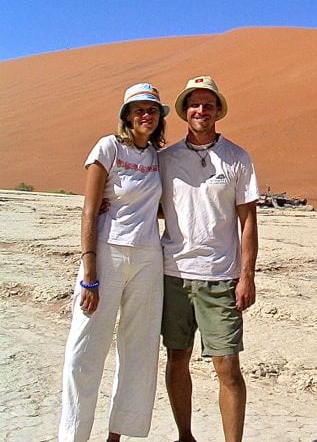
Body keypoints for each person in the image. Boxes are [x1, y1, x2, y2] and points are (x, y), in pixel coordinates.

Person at [58, 82, 169, 442]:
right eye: (139, 109)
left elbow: (166, 205)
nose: (146, 115)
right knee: (85, 348)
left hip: (148, 257)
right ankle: (74, 435)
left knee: (139, 349)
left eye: (152, 110)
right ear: (126, 114)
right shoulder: (107, 147)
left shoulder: (158, 157)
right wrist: (89, 272)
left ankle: (117, 435)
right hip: (106, 255)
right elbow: (89, 211)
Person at [159, 75, 260, 442]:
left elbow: (248, 221)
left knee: (228, 367)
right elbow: (148, 205)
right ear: (185, 110)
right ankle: (184, 436)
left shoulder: (237, 158)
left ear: (218, 110)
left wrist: (247, 275)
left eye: (208, 104)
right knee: (176, 358)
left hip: (221, 278)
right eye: (194, 104)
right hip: (173, 275)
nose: (201, 110)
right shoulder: (165, 159)